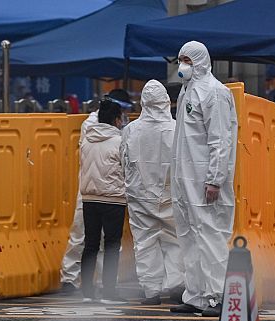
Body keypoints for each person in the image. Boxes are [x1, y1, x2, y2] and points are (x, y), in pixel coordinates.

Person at [169, 41, 238, 316]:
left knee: (210, 237)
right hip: (185, 180)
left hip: (203, 180)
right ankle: (196, 295)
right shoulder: (188, 91)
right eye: (180, 60)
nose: (182, 66)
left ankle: (217, 296)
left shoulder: (215, 92)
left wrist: (215, 178)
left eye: (187, 60)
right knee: (189, 237)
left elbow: (220, 140)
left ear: (200, 61)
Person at [60, 89, 132, 293]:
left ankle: (99, 282)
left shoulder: (111, 127)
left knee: (96, 239)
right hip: (96, 188)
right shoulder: (93, 125)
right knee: (84, 235)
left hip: (95, 189)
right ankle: (71, 278)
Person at [120, 80, 184, 305]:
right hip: (171, 195)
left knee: (145, 243)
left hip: (140, 196)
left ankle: (151, 291)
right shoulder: (177, 128)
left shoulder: (131, 130)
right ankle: (176, 285)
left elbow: (123, 161)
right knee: (175, 240)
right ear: (166, 101)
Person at [79, 99, 128, 305]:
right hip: (113, 199)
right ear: (117, 120)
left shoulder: (87, 140)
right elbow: (127, 168)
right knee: (111, 245)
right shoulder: (120, 141)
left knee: (90, 244)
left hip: (89, 198)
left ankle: (87, 291)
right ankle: (109, 292)